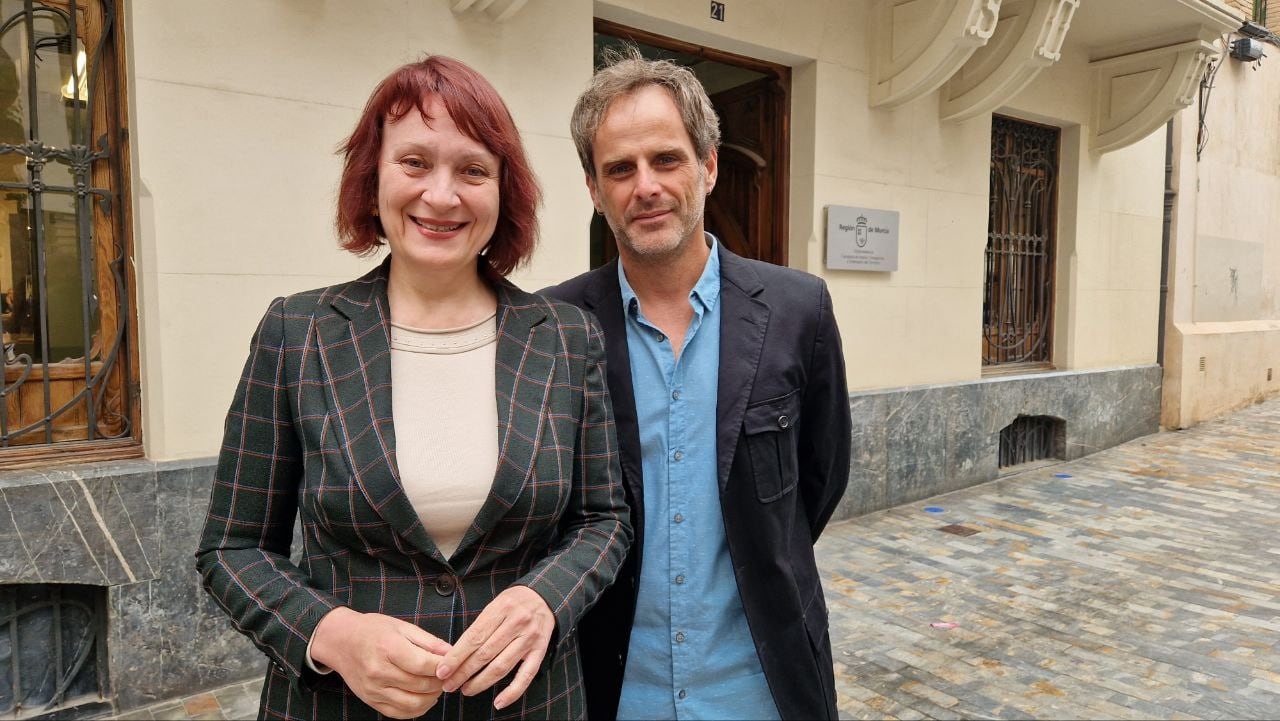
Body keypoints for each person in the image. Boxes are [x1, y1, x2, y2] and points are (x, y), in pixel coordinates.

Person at [197, 56, 631, 720]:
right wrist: (330, 633)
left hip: (527, 701)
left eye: (473, 169)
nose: (442, 195)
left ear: (502, 191)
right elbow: (232, 547)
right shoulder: (299, 332)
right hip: (340, 704)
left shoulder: (566, 338)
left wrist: (547, 597)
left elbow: (605, 518)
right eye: (415, 163)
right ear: (372, 177)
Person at [543, 47, 852, 720]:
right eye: (619, 169)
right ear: (594, 191)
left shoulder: (799, 311)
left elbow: (817, 482)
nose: (645, 185)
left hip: (760, 689)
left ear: (708, 167)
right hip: (610, 690)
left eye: (667, 159)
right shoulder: (553, 325)